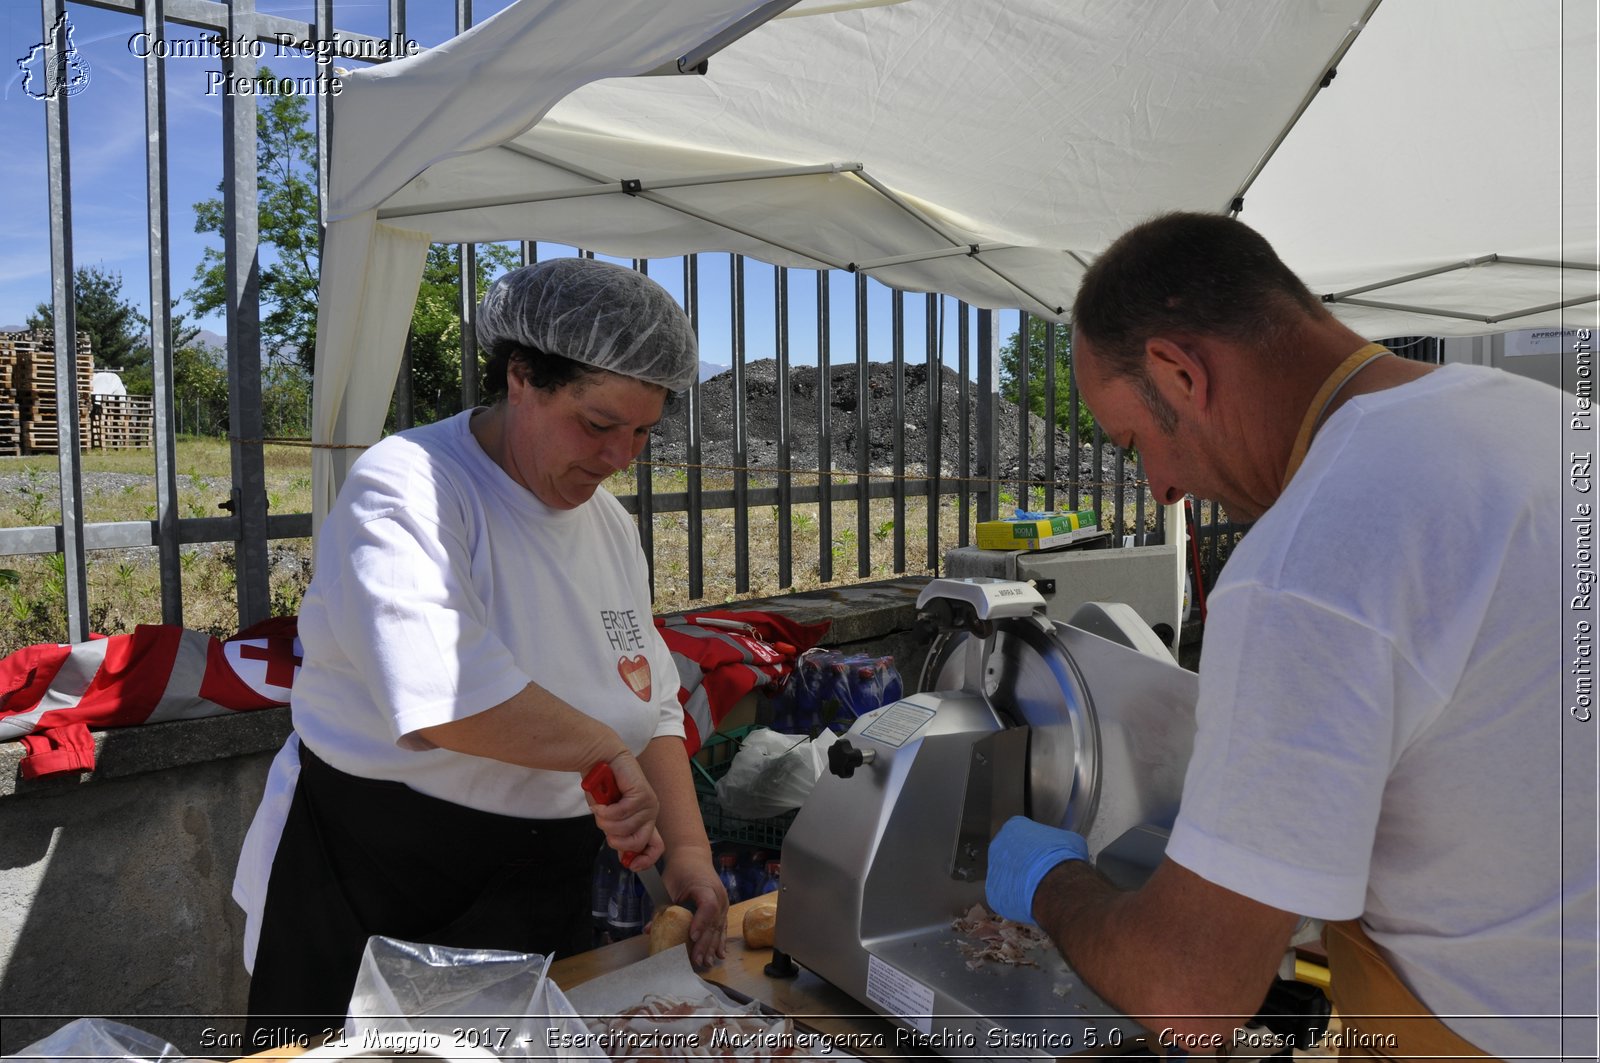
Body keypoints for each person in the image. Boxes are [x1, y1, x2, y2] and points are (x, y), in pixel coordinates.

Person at [985, 212, 1594, 1060]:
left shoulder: (1310, 557)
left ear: (1178, 371)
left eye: (1135, 442)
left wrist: (1052, 884)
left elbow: (1190, 996)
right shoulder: (1560, 427)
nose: (1160, 488)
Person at [234, 258, 727, 1043]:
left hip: (539, 887)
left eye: (642, 431)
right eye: (598, 424)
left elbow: (652, 701)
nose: (619, 457)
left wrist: (691, 856)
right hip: (378, 879)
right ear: (520, 377)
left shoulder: (610, 527)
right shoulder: (409, 486)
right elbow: (443, 697)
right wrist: (597, 747)